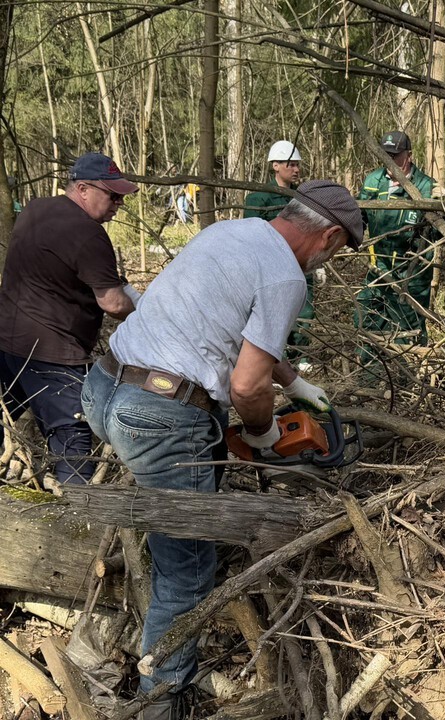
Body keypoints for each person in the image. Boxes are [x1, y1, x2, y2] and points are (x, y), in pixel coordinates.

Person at [81, 179, 363, 720]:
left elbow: (240, 333)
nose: (329, 258)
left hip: (106, 385)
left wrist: (296, 384)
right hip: (161, 416)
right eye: (337, 248)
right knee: (187, 569)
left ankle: (145, 639)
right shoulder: (285, 276)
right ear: (327, 235)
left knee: (167, 532)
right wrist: (260, 433)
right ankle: (160, 701)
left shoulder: (232, 232)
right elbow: (247, 388)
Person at [0, 152, 139, 485]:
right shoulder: (89, 234)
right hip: (53, 354)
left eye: (121, 196)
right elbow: (114, 303)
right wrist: (147, 316)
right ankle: (78, 518)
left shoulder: (35, 210)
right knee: (72, 436)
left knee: (4, 414)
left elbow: (61, 268)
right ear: (83, 189)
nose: (118, 203)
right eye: (112, 195)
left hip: (7, 340)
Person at [355, 131, 439, 378]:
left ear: (409, 156)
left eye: (396, 156)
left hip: (411, 274)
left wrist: (441, 210)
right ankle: (368, 381)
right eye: (386, 156)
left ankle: (409, 382)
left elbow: (442, 232)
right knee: (369, 320)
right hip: (378, 269)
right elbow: (359, 219)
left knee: (409, 328)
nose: (390, 162)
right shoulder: (373, 182)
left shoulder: (425, 186)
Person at [244, 140, 317, 371]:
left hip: (301, 265)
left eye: (297, 165)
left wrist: (318, 264)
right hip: (271, 268)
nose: (296, 169)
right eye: (290, 164)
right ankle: (275, 361)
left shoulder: (304, 197)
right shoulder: (259, 198)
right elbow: (252, 236)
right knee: (273, 314)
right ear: (275, 165)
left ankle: (301, 357)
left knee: (304, 310)